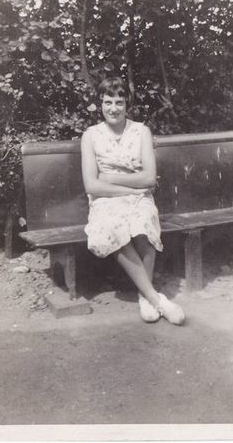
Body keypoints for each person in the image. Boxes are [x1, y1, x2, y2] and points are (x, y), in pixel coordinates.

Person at [81, 77, 185, 325]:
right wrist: (128, 187)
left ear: (127, 104)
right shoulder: (91, 136)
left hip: (139, 198)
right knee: (111, 226)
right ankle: (156, 299)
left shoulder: (141, 132)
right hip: (105, 200)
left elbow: (149, 177)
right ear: (100, 103)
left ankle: (144, 296)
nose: (113, 108)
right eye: (108, 102)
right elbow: (92, 185)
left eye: (119, 102)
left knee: (143, 223)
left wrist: (109, 176)